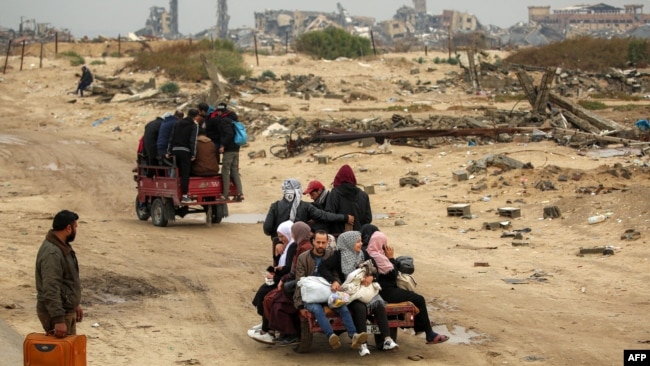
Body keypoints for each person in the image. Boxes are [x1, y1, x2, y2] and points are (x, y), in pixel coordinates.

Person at [318, 231, 398, 356]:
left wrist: (372, 277)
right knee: (360, 309)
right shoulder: (338, 255)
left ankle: (387, 339)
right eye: (358, 241)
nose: (361, 244)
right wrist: (333, 281)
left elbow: (375, 269)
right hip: (350, 293)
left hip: (365, 290)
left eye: (361, 241)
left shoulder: (363, 253)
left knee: (379, 305)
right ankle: (362, 345)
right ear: (349, 243)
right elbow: (323, 268)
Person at [366, 231, 450, 345]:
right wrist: (390, 258)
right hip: (386, 292)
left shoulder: (368, 254)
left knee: (413, 298)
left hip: (378, 292)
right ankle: (429, 334)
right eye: (384, 243)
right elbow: (393, 275)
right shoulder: (379, 257)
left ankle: (420, 327)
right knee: (419, 299)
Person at [294, 230, 368, 351]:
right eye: (318, 242)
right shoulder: (303, 258)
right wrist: (300, 305)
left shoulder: (330, 255)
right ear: (313, 242)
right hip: (311, 296)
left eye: (323, 242)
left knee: (342, 307)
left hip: (329, 293)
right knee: (317, 309)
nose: (320, 245)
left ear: (327, 243)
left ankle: (354, 335)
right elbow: (299, 282)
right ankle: (331, 336)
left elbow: (335, 273)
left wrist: (336, 281)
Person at [263, 179, 354, 251]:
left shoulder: (275, 206)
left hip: (279, 246)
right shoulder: (306, 207)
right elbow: (324, 216)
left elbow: (267, 229)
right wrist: (344, 217)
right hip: (299, 245)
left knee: (276, 270)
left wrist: (278, 239)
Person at [35, 210, 83, 338]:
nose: (76, 231)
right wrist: (58, 320)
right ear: (68, 228)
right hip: (58, 314)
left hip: (66, 310)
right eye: (75, 227)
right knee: (61, 356)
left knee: (70, 355)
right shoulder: (53, 253)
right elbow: (51, 288)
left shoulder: (63, 247)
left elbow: (68, 280)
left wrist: (74, 304)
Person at [250, 221, 297, 344]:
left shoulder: (292, 246)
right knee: (262, 292)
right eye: (279, 237)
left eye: (282, 236)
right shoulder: (287, 246)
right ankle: (265, 323)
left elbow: (287, 268)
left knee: (266, 295)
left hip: (285, 279)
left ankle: (268, 330)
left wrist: (275, 274)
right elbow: (279, 263)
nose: (281, 239)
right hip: (281, 277)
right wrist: (273, 267)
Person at [325, 164, 372, 236]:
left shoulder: (335, 193)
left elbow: (328, 215)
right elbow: (368, 218)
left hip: (339, 236)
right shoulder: (363, 195)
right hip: (358, 237)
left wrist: (344, 218)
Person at [166, 109, 199, 203]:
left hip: (175, 151)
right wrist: (193, 154)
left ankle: (172, 193)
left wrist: (169, 151)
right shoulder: (194, 125)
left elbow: (171, 138)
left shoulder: (177, 123)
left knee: (175, 171)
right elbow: (193, 141)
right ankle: (184, 196)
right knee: (185, 174)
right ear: (196, 116)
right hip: (185, 151)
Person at [217, 106, 243, 201]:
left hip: (229, 150)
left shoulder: (224, 121)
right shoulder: (233, 119)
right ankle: (240, 193)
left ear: (220, 112)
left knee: (225, 171)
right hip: (236, 148)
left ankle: (225, 193)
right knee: (234, 171)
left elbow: (229, 134)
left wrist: (223, 145)